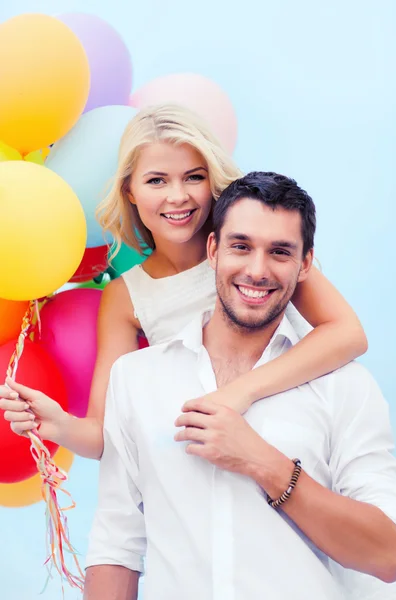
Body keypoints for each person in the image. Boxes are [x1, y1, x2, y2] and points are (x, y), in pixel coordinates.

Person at [83, 172, 396, 600]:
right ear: (213, 249)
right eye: (241, 246)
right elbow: (116, 543)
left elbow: (388, 556)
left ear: (306, 263)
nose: (257, 271)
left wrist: (264, 463)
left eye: (279, 252)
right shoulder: (136, 379)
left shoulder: (345, 387)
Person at [0, 104, 367, 461]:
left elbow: (348, 334)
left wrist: (242, 392)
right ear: (130, 190)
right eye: (157, 180)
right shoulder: (126, 296)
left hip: (304, 440)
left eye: (194, 176)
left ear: (212, 179)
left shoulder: (251, 242)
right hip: (212, 464)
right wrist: (60, 425)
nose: (178, 196)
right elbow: (104, 436)